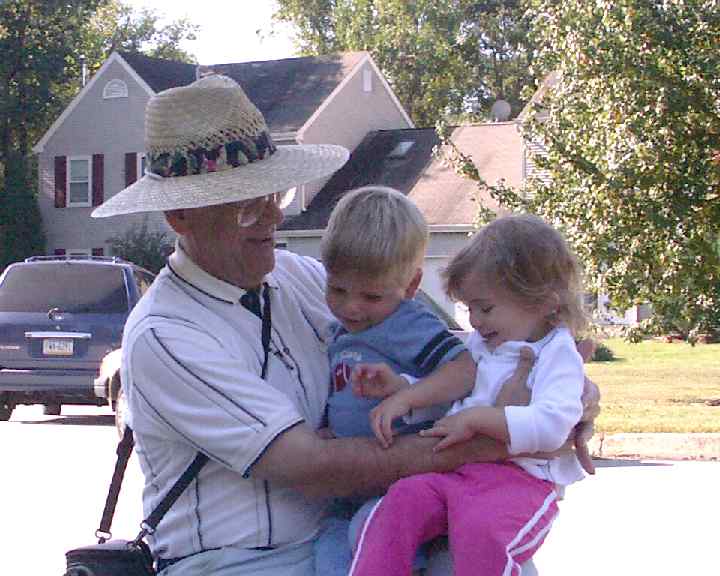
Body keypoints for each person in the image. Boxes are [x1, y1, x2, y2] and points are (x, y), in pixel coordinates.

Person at [91, 74, 599, 576]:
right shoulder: (166, 334)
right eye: (247, 206)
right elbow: (312, 468)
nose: (272, 218)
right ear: (180, 216)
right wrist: (504, 437)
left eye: (275, 196)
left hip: (343, 531)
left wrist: (562, 386)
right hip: (237, 560)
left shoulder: (303, 280)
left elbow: (450, 351)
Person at [348, 214, 589, 576]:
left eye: (485, 308)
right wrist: (404, 392)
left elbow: (554, 426)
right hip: (459, 472)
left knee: (479, 531)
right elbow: (456, 393)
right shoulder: (483, 343)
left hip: (521, 482)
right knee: (401, 500)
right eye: (469, 308)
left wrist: (478, 420)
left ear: (544, 301)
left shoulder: (557, 353)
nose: (474, 320)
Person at [315, 186, 471, 576]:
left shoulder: (408, 323)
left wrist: (407, 395)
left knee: (372, 537)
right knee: (329, 553)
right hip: (353, 488)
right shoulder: (341, 330)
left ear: (411, 286)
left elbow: (465, 369)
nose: (351, 306)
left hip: (405, 484)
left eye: (371, 297)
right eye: (337, 289)